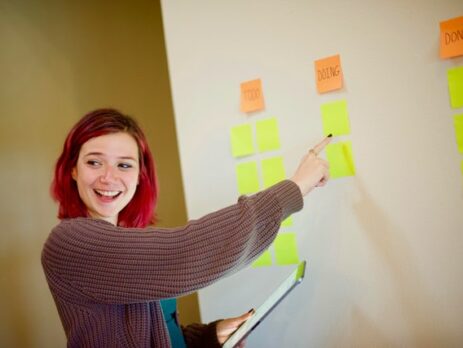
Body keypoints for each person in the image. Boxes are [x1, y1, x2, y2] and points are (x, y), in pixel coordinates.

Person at [41, 108, 330, 348]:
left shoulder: (129, 238)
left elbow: (159, 331)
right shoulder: (70, 242)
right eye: (94, 162)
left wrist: (207, 337)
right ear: (73, 169)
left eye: (124, 165)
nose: (109, 177)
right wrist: (296, 187)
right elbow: (184, 253)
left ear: (140, 176)